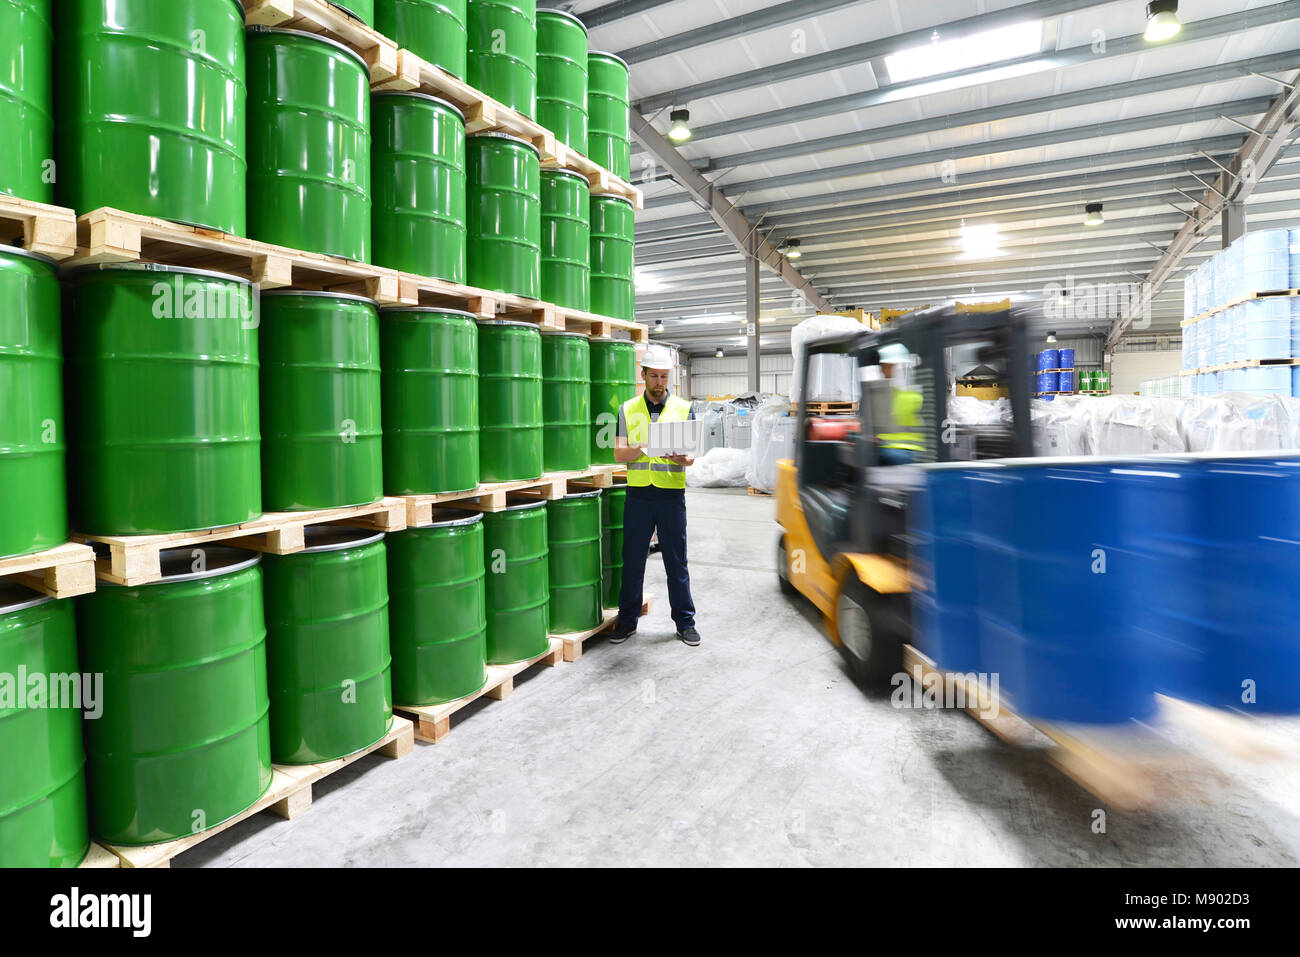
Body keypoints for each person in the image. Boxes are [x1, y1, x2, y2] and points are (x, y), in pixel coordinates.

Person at [606, 345, 701, 646]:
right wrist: (643, 445)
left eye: (664, 377)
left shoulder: (684, 408)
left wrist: (685, 460)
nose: (660, 383)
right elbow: (619, 453)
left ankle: (685, 622)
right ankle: (627, 620)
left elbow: (692, 455)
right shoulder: (627, 409)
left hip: (671, 496)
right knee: (632, 560)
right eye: (654, 376)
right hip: (638, 496)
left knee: (676, 561)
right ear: (643, 374)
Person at [875, 342, 925, 465]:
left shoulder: (907, 395)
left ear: (893, 367)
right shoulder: (902, 392)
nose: (881, 371)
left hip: (899, 451)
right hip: (895, 449)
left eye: (884, 367)